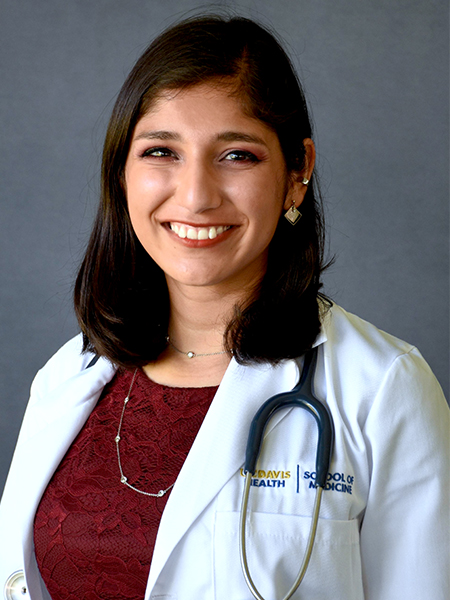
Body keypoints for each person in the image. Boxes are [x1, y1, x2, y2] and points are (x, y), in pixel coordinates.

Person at [0, 14, 448, 600]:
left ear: (298, 172)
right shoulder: (68, 376)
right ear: (122, 172)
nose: (195, 195)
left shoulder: (383, 388)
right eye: (161, 151)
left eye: (237, 155)